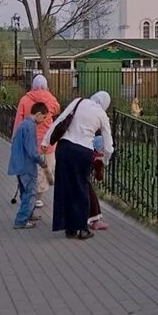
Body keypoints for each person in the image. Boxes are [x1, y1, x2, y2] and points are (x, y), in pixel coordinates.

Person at [47, 90, 113, 240]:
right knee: (81, 188)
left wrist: (46, 141)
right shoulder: (102, 115)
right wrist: (105, 160)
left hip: (64, 148)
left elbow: (59, 120)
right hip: (82, 152)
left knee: (64, 187)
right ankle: (82, 228)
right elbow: (108, 145)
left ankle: (68, 228)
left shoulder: (78, 102)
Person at [13, 74, 60, 210]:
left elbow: (18, 121)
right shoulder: (50, 99)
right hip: (48, 142)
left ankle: (30, 197)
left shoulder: (25, 100)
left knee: (33, 170)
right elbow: (57, 109)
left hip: (30, 142)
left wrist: (16, 139)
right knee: (47, 169)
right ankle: (39, 197)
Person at [9, 102, 50, 229]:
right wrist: (41, 161)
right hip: (27, 166)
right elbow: (32, 151)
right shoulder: (30, 127)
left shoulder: (23, 125)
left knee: (24, 192)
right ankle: (21, 220)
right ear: (38, 114)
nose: (43, 121)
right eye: (43, 117)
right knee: (30, 193)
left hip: (19, 164)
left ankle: (28, 214)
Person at [87, 131, 110, 230]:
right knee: (92, 198)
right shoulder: (98, 158)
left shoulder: (88, 150)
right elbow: (99, 176)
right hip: (83, 177)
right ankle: (94, 220)